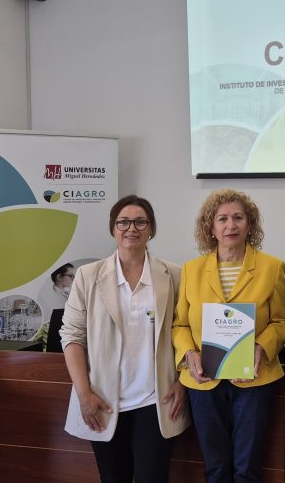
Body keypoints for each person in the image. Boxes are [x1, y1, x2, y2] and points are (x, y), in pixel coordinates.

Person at [60, 195, 189, 483]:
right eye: (123, 222)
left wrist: (184, 381)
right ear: (113, 228)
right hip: (102, 399)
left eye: (141, 222)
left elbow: (188, 331)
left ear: (151, 229)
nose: (132, 228)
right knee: (113, 477)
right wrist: (83, 394)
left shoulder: (174, 275)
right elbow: (72, 335)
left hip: (155, 399)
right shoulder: (88, 276)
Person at [173, 189, 285, 483]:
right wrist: (189, 354)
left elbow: (280, 322)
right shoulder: (191, 270)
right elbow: (180, 325)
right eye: (222, 219)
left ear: (250, 224)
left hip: (254, 380)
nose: (231, 225)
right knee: (216, 467)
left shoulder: (272, 267)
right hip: (204, 380)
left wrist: (261, 347)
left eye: (238, 217)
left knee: (247, 468)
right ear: (210, 227)